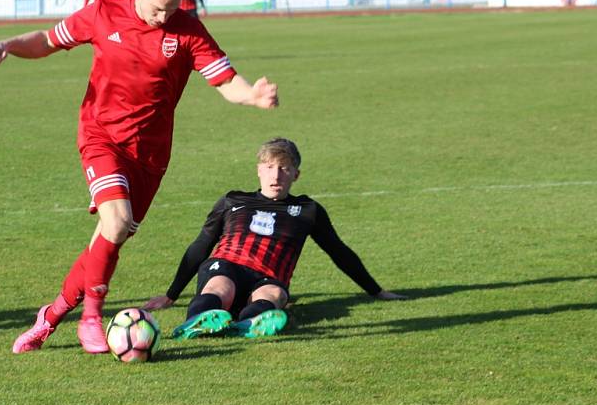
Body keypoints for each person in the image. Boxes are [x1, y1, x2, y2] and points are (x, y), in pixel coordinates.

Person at [0, 0, 279, 354]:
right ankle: (90, 319)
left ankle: (49, 317)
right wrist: (7, 46)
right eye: (156, 7)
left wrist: (252, 96)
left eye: (171, 8)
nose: (162, 16)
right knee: (115, 225)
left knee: (106, 240)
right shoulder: (103, 13)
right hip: (101, 137)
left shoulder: (188, 30)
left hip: (150, 156)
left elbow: (225, 81)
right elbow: (49, 41)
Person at [143, 138, 407, 340]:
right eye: (269, 167)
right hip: (226, 265)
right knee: (221, 290)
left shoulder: (307, 210)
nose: (276, 176)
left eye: (284, 168)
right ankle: (197, 322)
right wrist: (171, 295)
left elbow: (338, 251)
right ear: (259, 170)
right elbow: (202, 244)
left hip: (268, 277)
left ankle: (244, 325)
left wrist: (376, 291)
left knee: (273, 295)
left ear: (296, 175)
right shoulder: (233, 200)